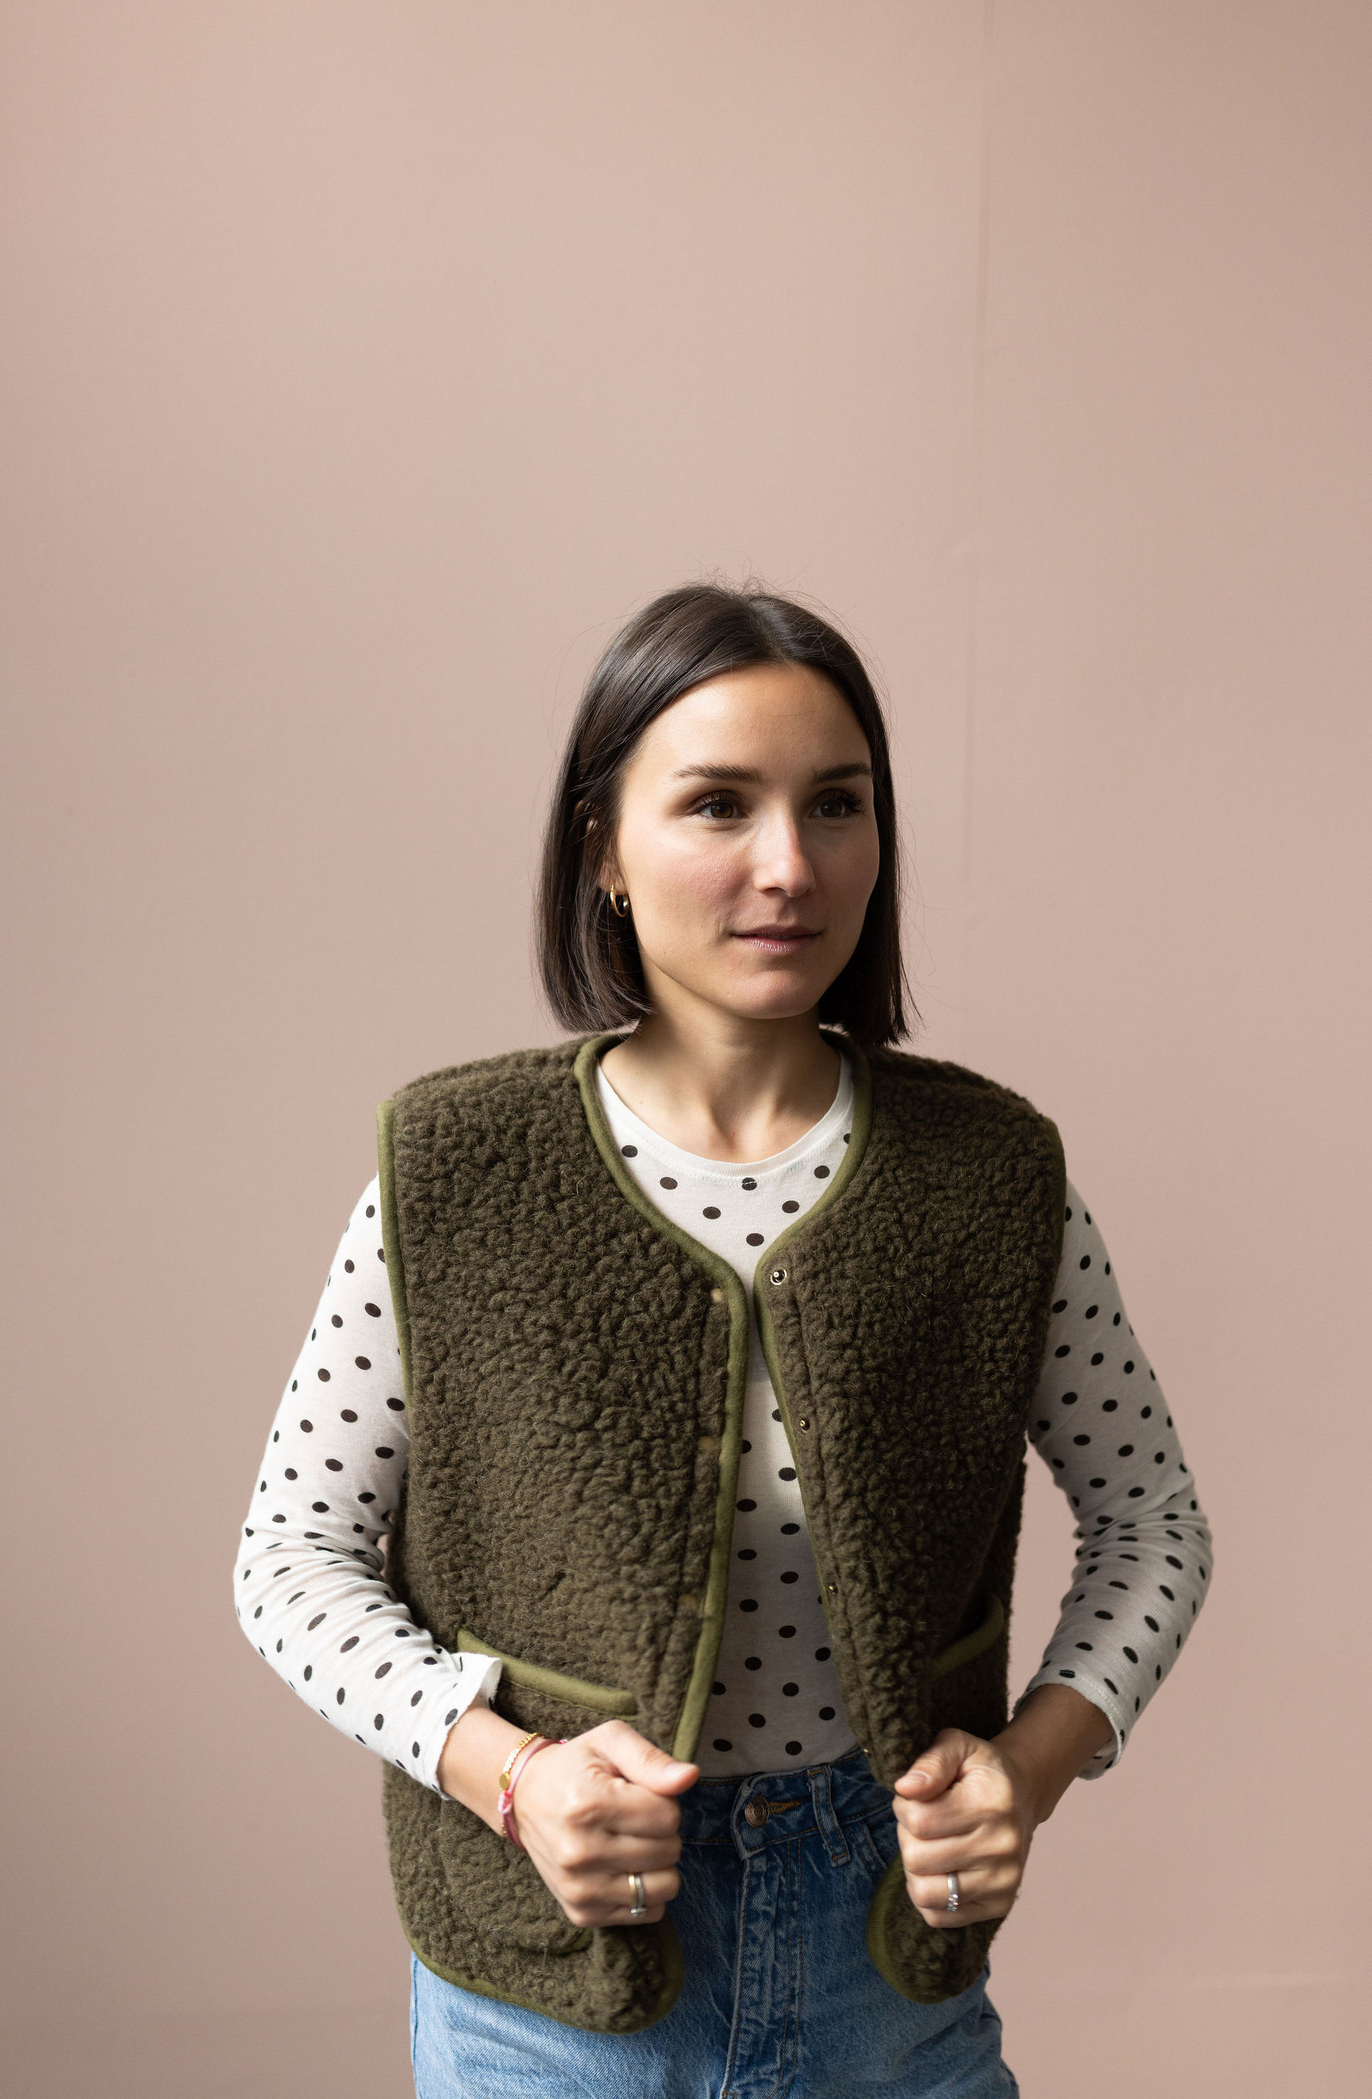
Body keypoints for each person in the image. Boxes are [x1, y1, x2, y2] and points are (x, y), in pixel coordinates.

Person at [235, 582, 1212, 2096]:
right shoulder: (455, 1172)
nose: (788, 865)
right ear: (602, 851)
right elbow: (291, 1561)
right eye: (716, 804)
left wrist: (1028, 1770)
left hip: (886, 1960)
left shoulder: (991, 1175)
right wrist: (511, 1778)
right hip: (548, 1989)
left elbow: (1154, 1523)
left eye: (837, 805)